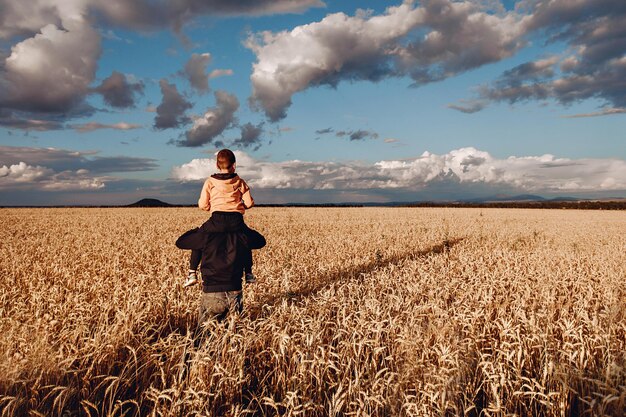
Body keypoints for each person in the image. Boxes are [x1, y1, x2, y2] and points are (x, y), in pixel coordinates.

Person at [183, 149, 258, 287]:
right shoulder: (240, 182)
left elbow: (203, 205)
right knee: (245, 240)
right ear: (234, 165)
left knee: (199, 239)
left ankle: (192, 273)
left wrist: (212, 206)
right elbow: (249, 203)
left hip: (216, 220)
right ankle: (248, 273)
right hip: (236, 221)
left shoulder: (210, 182)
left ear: (217, 165)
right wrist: (239, 207)